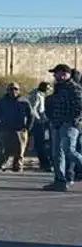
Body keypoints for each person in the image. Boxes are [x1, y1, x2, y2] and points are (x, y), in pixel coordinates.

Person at [44, 63, 82, 191]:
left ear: (65, 74)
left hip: (69, 124)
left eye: (57, 73)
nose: (54, 75)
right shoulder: (57, 88)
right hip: (56, 124)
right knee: (57, 154)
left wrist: (71, 121)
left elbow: (79, 107)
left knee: (69, 151)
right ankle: (60, 181)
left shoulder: (74, 88)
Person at [0, 82, 32, 172]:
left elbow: (31, 115)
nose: (13, 91)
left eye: (16, 89)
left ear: (19, 90)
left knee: (20, 151)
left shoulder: (24, 101)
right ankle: (0, 166)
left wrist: (28, 127)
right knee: (3, 150)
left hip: (20, 130)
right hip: (5, 128)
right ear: (7, 90)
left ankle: (17, 167)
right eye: (11, 89)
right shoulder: (2, 101)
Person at [25, 81, 51, 171]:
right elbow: (33, 108)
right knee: (40, 143)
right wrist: (38, 119)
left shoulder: (41, 94)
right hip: (38, 121)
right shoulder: (36, 95)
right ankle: (44, 163)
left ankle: (45, 162)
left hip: (43, 117)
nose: (48, 90)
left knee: (42, 142)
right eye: (47, 88)